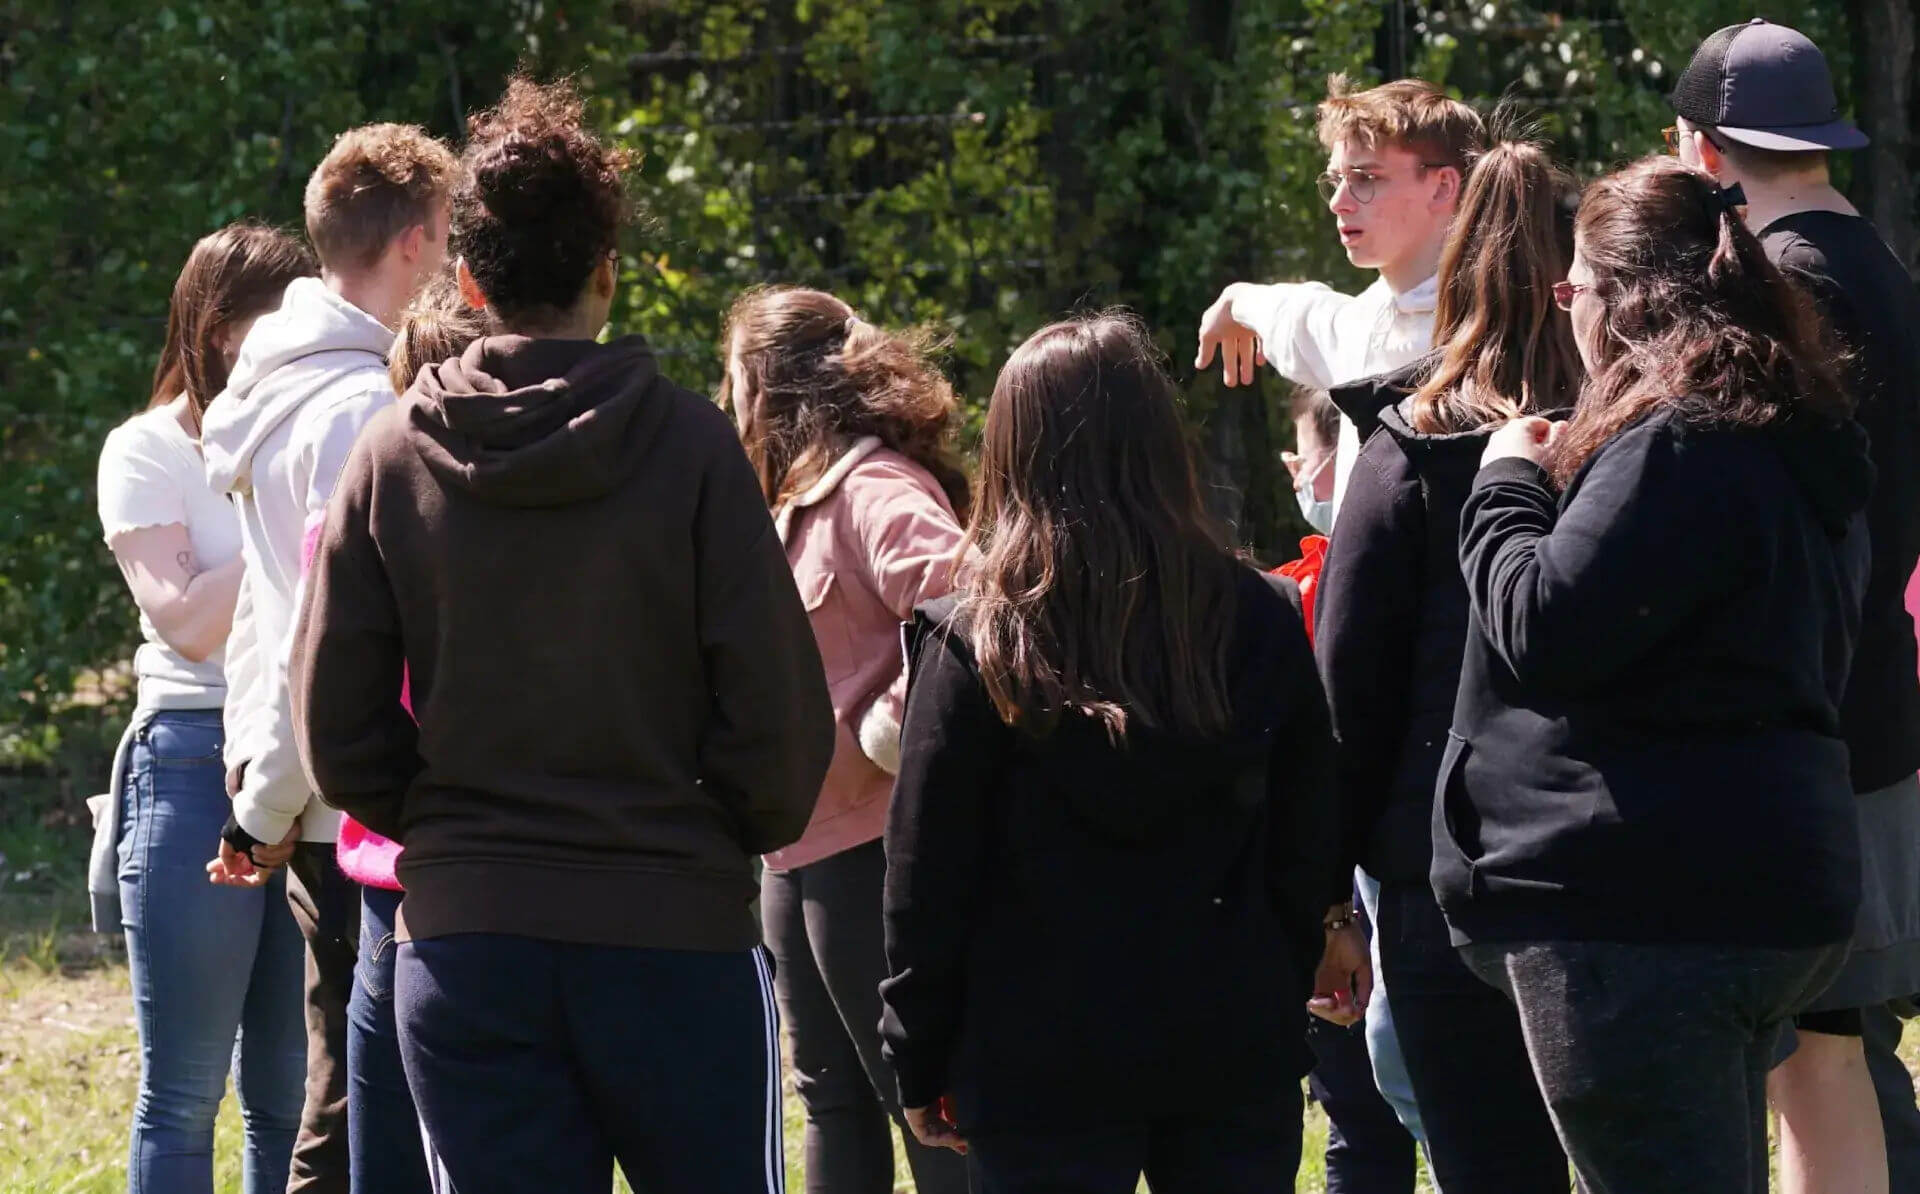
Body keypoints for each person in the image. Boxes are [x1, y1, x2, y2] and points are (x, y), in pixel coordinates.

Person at [289, 76, 834, 1194]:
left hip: (471, 940)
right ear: (607, 272)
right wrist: (715, 836)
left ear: (471, 279)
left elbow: (334, 723)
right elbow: (779, 709)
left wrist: (444, 831)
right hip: (674, 929)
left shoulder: (391, 456)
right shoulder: (691, 450)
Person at [1443, 155, 1870, 1194]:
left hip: (1641, 912)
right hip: (1758, 883)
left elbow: (1544, 624)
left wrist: (1504, 482)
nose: (1569, 314)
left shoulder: (1679, 442)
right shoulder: (1796, 435)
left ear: (1623, 300)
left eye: (1576, 291)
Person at [878, 313, 1342, 1194]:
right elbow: (1309, 835)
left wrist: (918, 1052)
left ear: (1013, 453)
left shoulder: (975, 644)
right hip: (1227, 1036)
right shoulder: (1261, 618)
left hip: (1036, 1057)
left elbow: (927, 880)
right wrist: (1274, 977)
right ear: (1164, 445)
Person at [1195, 74, 1485, 1142]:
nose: (1340, 199)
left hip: (1476, 713)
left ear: (1447, 189)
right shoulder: (1358, 321)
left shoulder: (1500, 319)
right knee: (1398, 1067)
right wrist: (1233, 301)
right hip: (1378, 723)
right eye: (1334, 178)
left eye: (1368, 178)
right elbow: (1285, 307)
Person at [1668, 19, 1920, 1193]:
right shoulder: (1877, 262)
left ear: (1703, 150)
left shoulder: (1794, 282)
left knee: (1818, 1063)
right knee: (1833, 1054)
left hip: (1824, 721)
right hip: (1871, 695)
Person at [1314, 133, 1579, 1193]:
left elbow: (1347, 694)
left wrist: (1330, 906)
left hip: (1445, 866)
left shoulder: (1405, 450)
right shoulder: (1641, 435)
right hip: (1613, 861)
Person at [200, 121, 457, 1194]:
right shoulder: (357, 406)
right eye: (445, 234)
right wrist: (266, 808)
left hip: (296, 779)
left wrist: (256, 790)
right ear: (410, 240)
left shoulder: (277, 380)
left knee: (353, 1103)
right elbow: (330, 635)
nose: (452, 259)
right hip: (345, 793)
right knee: (358, 1126)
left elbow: (268, 618)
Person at [723, 285, 972, 1194]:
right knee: (830, 1098)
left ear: (774, 388)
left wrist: (889, 726)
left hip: (878, 854)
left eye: (737, 380)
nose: (731, 405)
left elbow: (975, 612)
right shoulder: (791, 505)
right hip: (796, 854)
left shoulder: (872, 488)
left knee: (925, 1107)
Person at [89, 223, 313, 1194]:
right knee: (184, 1090)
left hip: (294, 759)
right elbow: (182, 623)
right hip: (187, 761)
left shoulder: (299, 438)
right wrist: (295, 525)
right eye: (286, 316)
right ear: (222, 329)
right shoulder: (144, 451)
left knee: (290, 1090)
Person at [301, 274, 482, 1194]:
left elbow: (335, 721)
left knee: (385, 1144)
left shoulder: (356, 503)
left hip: (386, 862)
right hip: (488, 856)